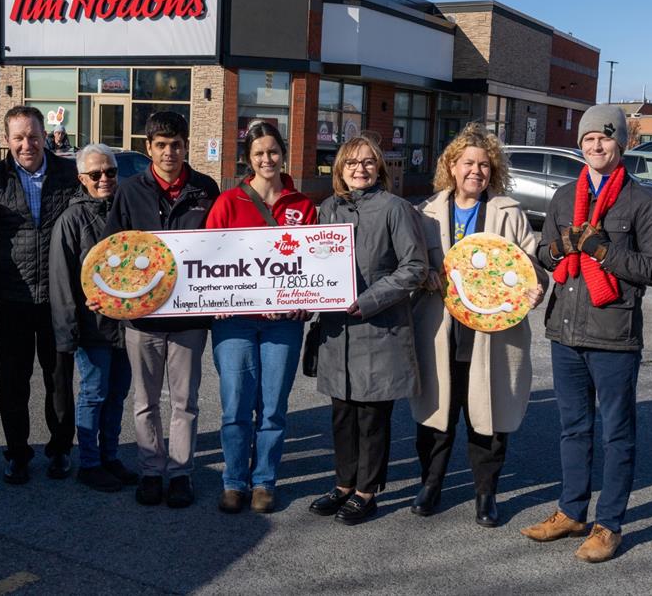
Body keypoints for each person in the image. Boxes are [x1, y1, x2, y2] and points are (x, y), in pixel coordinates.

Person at [520, 105, 652, 562]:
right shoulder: (564, 196)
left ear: (620, 144)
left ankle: (609, 524)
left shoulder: (642, 202)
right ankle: (571, 513)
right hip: (564, 331)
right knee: (572, 429)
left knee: (617, 433)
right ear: (581, 144)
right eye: (589, 139)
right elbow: (547, 259)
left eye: (605, 139)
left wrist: (603, 251)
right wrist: (556, 248)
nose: (596, 145)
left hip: (614, 335)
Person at [408, 123, 547, 526]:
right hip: (440, 330)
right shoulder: (427, 213)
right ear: (451, 166)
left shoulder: (508, 212)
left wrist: (535, 285)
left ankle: (486, 493)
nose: (476, 171)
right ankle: (430, 484)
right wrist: (424, 276)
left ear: (493, 171)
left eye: (485, 165)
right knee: (437, 415)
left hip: (493, 335)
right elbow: (412, 265)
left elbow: (531, 265)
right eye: (468, 163)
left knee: (489, 416)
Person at [101, 111, 220, 508]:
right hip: (144, 318)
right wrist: (101, 292)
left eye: (177, 144)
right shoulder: (130, 190)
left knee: (185, 401)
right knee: (145, 401)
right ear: (148, 147)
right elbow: (110, 250)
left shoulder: (206, 188)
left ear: (186, 146)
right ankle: (152, 470)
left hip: (189, 317)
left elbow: (221, 248)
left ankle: (181, 473)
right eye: (161, 145)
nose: (170, 152)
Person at [307, 136, 427, 525]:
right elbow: (312, 261)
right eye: (351, 163)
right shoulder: (327, 208)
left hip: (378, 327)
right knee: (342, 413)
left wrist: (371, 299)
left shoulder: (395, 209)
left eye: (368, 162)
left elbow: (414, 267)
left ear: (379, 168)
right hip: (337, 331)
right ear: (339, 169)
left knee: (371, 416)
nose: (360, 169)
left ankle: (366, 491)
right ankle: (343, 484)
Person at [205, 121, 318, 514]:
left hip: (283, 322)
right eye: (259, 154)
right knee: (236, 403)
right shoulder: (228, 202)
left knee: (273, 406)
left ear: (282, 153)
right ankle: (234, 480)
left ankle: (264, 480)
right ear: (248, 159)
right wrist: (212, 297)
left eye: (272, 152)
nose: (267, 159)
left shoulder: (303, 205)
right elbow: (208, 256)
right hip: (234, 321)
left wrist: (309, 300)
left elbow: (316, 264)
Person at [0, 105, 80, 485]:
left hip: (58, 300)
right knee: (14, 384)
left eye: (33, 136)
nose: (27, 145)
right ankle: (17, 453)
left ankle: (60, 449)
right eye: (18, 137)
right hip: (11, 300)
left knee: (59, 381)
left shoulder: (69, 175)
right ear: (7, 140)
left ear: (45, 136)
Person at [49, 144, 139, 492]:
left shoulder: (127, 211)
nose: (105, 179)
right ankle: (89, 463)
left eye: (111, 172)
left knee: (117, 395)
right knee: (94, 393)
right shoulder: (72, 220)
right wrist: (68, 333)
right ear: (82, 178)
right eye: (96, 174)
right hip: (92, 328)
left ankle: (110, 457)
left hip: (126, 325)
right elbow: (62, 280)